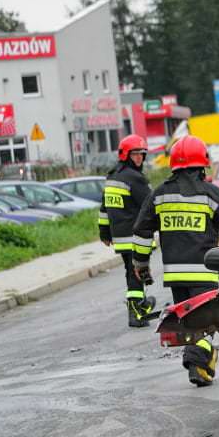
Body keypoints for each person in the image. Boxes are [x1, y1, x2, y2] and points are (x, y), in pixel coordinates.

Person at [132, 135, 219, 387]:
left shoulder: (159, 195)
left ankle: (200, 365)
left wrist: (141, 265)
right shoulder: (211, 194)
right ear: (202, 164)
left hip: (175, 276)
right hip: (205, 271)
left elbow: (141, 230)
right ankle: (198, 361)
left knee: (191, 323)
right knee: (207, 322)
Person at [98, 134, 156, 328]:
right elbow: (150, 206)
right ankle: (137, 313)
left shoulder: (112, 176)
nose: (139, 158)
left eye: (141, 154)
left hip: (121, 237)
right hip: (134, 236)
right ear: (125, 155)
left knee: (133, 272)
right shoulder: (136, 179)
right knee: (136, 273)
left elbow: (104, 208)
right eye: (135, 154)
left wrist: (104, 232)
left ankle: (142, 304)